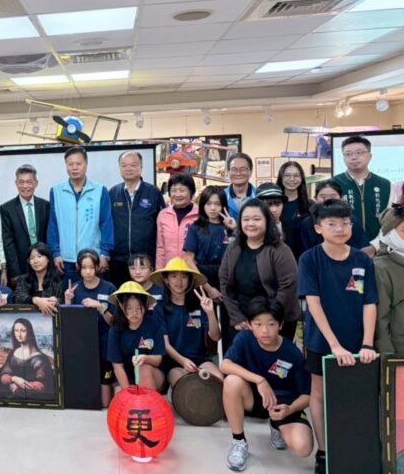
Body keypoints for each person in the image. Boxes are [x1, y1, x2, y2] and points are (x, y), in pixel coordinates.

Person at [298, 198, 378, 474]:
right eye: (332, 224)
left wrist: (367, 343)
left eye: (345, 223)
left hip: (358, 341)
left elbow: (370, 302)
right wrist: (334, 345)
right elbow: (313, 304)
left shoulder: (362, 259)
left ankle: (354, 448)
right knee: (319, 394)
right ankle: (323, 451)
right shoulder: (309, 259)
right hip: (321, 341)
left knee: (355, 395)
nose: (340, 229)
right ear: (318, 228)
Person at [221, 298, 313, 472]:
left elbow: (307, 395)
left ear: (280, 325)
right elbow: (225, 365)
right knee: (231, 381)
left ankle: (276, 425)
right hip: (255, 399)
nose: (264, 330)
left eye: (271, 324)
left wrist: (290, 409)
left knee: (303, 448)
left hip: (283, 405)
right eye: (258, 324)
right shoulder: (244, 339)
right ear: (250, 325)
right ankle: (239, 442)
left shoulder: (293, 353)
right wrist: (260, 380)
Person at [220, 199, 301, 342]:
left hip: (276, 320)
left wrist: (266, 322)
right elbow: (224, 281)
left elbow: (288, 287)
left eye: (256, 219)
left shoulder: (280, 250)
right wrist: (236, 316)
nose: (250, 223)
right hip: (242, 320)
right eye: (246, 219)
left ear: (267, 221)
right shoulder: (234, 247)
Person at [47, 145, 114, 285]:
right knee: (69, 297)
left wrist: (104, 253)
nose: (74, 168)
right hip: (66, 261)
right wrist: (56, 253)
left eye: (79, 164)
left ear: (86, 164)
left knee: (94, 296)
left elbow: (106, 223)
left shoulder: (100, 190)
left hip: (93, 259)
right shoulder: (56, 191)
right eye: (70, 164)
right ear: (66, 166)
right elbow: (53, 225)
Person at [151, 257, 222, 387]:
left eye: (184, 277)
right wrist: (183, 361)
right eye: (174, 276)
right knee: (187, 387)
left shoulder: (200, 305)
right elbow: (165, 345)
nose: (179, 281)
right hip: (174, 363)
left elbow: (216, 337)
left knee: (218, 381)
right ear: (166, 280)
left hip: (201, 360)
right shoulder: (160, 308)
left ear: (189, 280)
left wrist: (210, 313)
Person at [64, 248, 117, 407]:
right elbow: (68, 324)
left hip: (105, 344)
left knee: (105, 403)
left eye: (91, 267)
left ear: (97, 267)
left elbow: (115, 322)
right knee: (85, 396)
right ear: (78, 268)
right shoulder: (74, 289)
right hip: (83, 345)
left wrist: (100, 307)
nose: (88, 271)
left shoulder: (109, 288)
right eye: (84, 267)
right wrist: (67, 302)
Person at [108, 151, 165, 286]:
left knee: (146, 296)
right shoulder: (113, 193)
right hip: (118, 261)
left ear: (141, 167)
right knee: (121, 296)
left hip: (146, 261)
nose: (128, 168)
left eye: (133, 165)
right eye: (124, 165)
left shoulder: (153, 192)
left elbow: (162, 225)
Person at [106, 282, 165, 391]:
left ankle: (148, 400)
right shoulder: (115, 329)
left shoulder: (154, 325)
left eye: (139, 308)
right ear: (121, 306)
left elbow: (158, 359)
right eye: (129, 308)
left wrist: (145, 358)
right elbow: (117, 366)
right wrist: (128, 392)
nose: (134, 313)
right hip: (126, 377)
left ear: (145, 306)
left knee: (143, 368)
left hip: (152, 374)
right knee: (120, 395)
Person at [333, 135, 392, 241]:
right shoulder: (333, 184)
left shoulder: (385, 185)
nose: (353, 157)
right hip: (343, 246)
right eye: (348, 154)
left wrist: (375, 246)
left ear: (369, 156)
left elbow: (391, 221)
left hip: (379, 247)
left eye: (359, 153)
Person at [184, 185, 236, 301]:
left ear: (223, 206)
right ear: (202, 205)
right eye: (208, 203)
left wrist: (235, 229)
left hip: (227, 278)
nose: (213, 208)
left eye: (217, 204)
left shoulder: (230, 228)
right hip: (202, 279)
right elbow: (188, 260)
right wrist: (208, 288)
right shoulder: (195, 228)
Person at [0, 164, 49, 286]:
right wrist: (15, 272)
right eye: (21, 182)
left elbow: (48, 236)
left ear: (36, 183)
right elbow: (8, 242)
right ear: (16, 183)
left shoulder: (45, 206)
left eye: (29, 182)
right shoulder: (6, 209)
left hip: (44, 266)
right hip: (20, 267)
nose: (25, 186)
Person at [300, 180, 373, 256]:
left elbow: (361, 248)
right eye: (322, 196)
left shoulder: (351, 220)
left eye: (333, 196)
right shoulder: (307, 223)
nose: (327, 199)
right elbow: (304, 251)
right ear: (315, 198)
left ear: (341, 198)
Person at [0, 317, 55, 400]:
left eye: (23, 331)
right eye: (16, 330)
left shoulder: (40, 359)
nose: (19, 334)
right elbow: (3, 376)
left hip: (33, 398)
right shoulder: (13, 353)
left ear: (29, 332)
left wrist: (20, 386)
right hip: (12, 395)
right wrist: (14, 379)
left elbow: (42, 385)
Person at [375, 206, 404, 356]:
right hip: (399, 351)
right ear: (390, 233)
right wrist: (388, 356)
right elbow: (380, 318)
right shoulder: (380, 268)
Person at [156, 173, 199, 269]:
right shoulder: (163, 215)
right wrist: (160, 271)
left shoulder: (200, 215)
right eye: (173, 190)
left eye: (182, 190)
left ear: (191, 192)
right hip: (170, 270)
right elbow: (161, 248)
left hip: (193, 270)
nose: (177, 194)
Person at [14, 242, 65, 315]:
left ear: (48, 259)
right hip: (28, 318)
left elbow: (62, 301)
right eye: (31, 258)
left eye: (39, 256)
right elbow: (18, 298)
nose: (35, 261)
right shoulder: (23, 279)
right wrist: (36, 300)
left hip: (50, 318)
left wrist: (56, 301)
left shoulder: (57, 280)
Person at [276, 162, 312, 257]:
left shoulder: (311, 206)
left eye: (296, 176)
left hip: (304, 257)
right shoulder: (273, 205)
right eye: (287, 175)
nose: (292, 179)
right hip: (278, 257)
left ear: (301, 178)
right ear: (281, 178)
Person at [224, 153, 257, 222]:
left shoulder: (259, 196)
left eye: (243, 169)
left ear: (250, 172)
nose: (238, 173)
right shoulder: (221, 196)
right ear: (228, 172)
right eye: (234, 169)